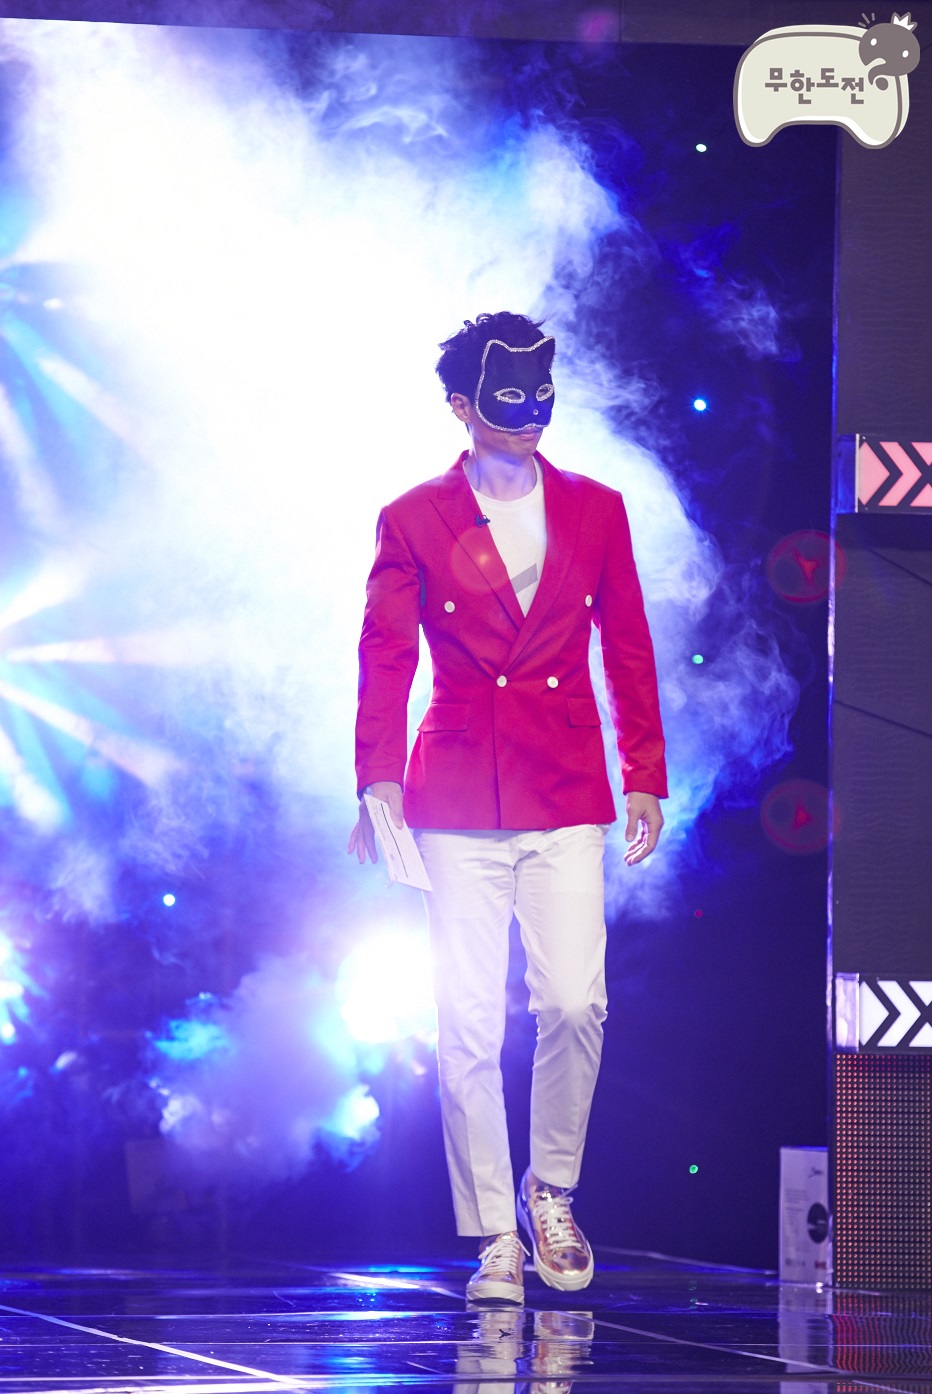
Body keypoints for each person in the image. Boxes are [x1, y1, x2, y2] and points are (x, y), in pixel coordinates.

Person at [349, 311, 666, 1304]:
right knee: (469, 1021)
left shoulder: (596, 509)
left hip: (565, 785)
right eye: (506, 398)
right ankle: (494, 1230)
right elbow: (386, 654)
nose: (529, 415)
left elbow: (626, 644)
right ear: (460, 406)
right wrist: (375, 778)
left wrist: (644, 770)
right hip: (454, 795)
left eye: (540, 395)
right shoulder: (412, 516)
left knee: (574, 1001)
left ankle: (550, 1189)